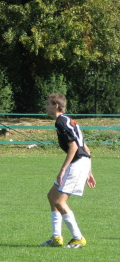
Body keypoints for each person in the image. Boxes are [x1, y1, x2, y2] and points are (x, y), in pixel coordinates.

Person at [40, 93, 96, 249]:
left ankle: (78, 238)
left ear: (56, 105)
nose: (46, 106)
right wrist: (89, 171)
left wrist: (63, 169)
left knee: (59, 201)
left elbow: (75, 147)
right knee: (52, 196)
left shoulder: (61, 123)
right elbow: (85, 147)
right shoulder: (68, 120)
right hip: (81, 162)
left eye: (48, 103)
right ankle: (56, 238)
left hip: (77, 163)